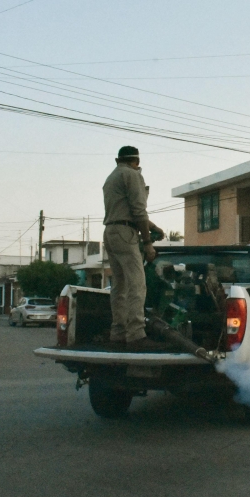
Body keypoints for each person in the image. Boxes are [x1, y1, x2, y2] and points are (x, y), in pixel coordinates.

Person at [103, 146, 165, 350]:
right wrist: (148, 243)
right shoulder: (132, 175)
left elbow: (124, 210)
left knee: (119, 285)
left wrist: (153, 227)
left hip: (110, 232)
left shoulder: (111, 178)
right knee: (137, 284)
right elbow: (138, 211)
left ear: (117, 160)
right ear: (136, 162)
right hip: (126, 233)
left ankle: (118, 331)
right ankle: (136, 334)